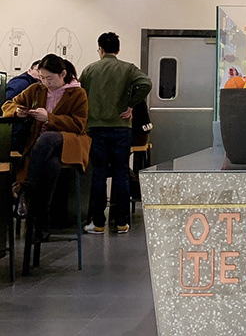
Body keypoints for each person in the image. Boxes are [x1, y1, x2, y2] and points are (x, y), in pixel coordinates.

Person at [1, 54, 91, 239]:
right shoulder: (36, 90)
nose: (45, 82)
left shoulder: (77, 93)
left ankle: (25, 187)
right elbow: (8, 104)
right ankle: (40, 226)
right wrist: (17, 111)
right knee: (51, 166)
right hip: (42, 150)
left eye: (49, 78)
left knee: (48, 138)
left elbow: (78, 125)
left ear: (63, 74)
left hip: (67, 143)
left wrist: (49, 118)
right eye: (42, 78)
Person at [79, 32, 152, 235]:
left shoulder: (90, 69)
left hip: (96, 128)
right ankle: (122, 223)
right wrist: (131, 104)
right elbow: (146, 83)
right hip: (121, 127)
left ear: (101, 49)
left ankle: (98, 223)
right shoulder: (128, 68)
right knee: (121, 174)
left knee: (99, 174)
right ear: (118, 50)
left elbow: (80, 93)